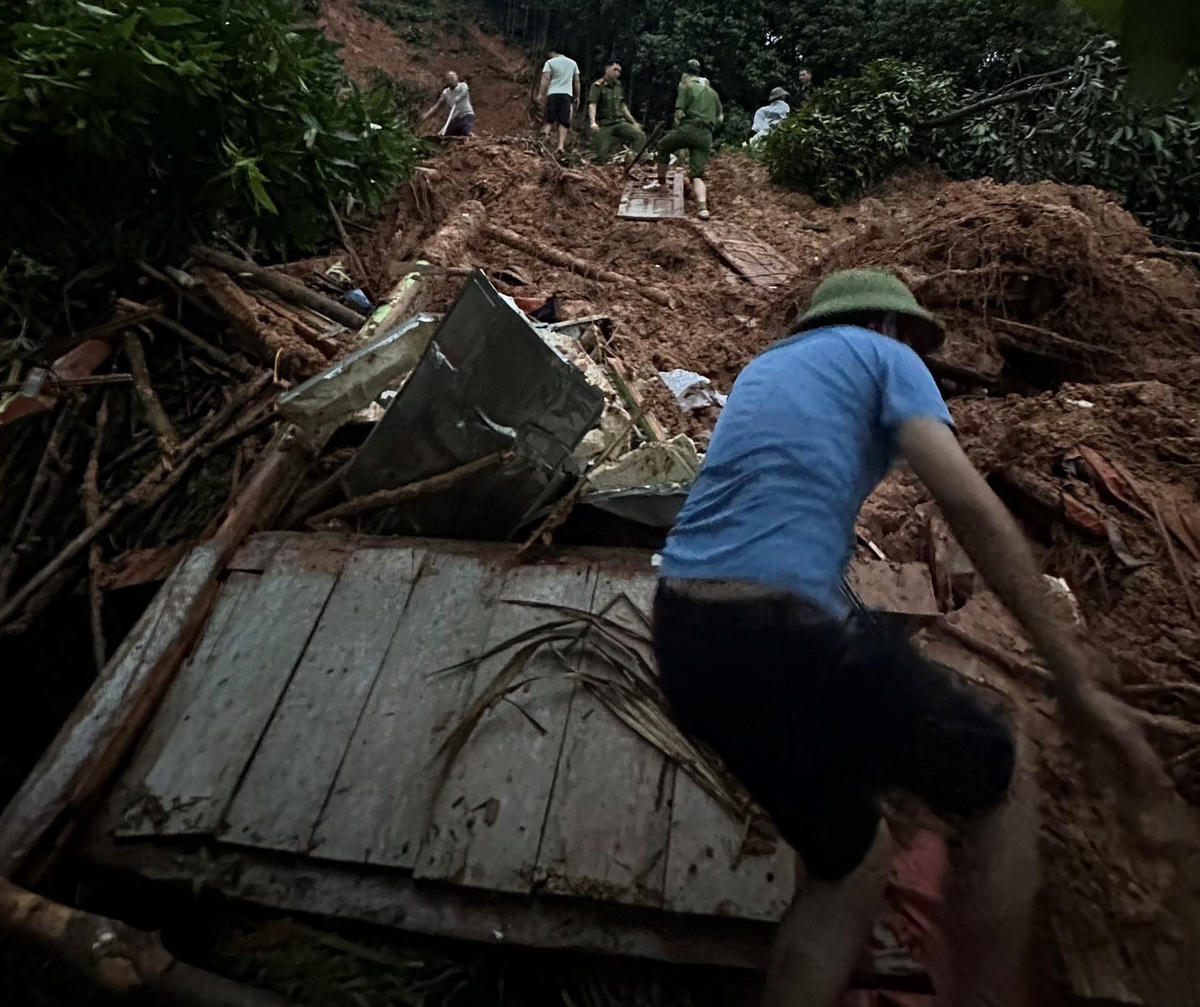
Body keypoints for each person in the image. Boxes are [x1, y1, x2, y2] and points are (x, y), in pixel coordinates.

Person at [653, 269, 1168, 1006]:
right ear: (891, 327)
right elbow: (972, 508)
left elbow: (762, 524)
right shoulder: (887, 359)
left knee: (849, 866)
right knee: (995, 776)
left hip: (685, 635)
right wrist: (1074, 676)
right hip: (771, 629)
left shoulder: (766, 370)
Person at [646, 63, 722, 220]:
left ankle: (661, 183)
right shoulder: (713, 93)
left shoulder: (685, 86)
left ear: (685, 75)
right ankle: (702, 208)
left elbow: (679, 113)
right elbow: (720, 117)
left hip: (689, 128)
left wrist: (678, 127)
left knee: (663, 146)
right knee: (697, 174)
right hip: (706, 135)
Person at [588, 59, 645, 166]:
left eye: (619, 71)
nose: (617, 73)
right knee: (601, 156)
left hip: (619, 122)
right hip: (604, 124)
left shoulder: (618, 85)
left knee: (640, 136)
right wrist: (593, 122)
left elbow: (622, 106)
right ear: (607, 69)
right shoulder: (598, 85)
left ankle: (637, 163)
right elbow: (592, 104)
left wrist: (633, 122)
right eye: (615, 69)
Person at [539, 47, 580, 154]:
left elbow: (546, 78)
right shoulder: (573, 63)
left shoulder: (550, 62)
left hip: (553, 93)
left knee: (549, 119)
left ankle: (542, 142)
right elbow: (576, 81)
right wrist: (577, 96)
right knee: (564, 121)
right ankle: (560, 146)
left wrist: (540, 93)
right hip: (567, 95)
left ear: (553, 52)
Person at [422, 71, 476, 138]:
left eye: (454, 77)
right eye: (450, 78)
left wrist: (457, 98)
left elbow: (464, 92)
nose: (453, 79)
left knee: (466, 132)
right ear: (447, 80)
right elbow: (437, 106)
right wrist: (426, 116)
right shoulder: (446, 93)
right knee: (446, 135)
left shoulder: (462, 86)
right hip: (455, 119)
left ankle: (478, 142)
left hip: (466, 115)